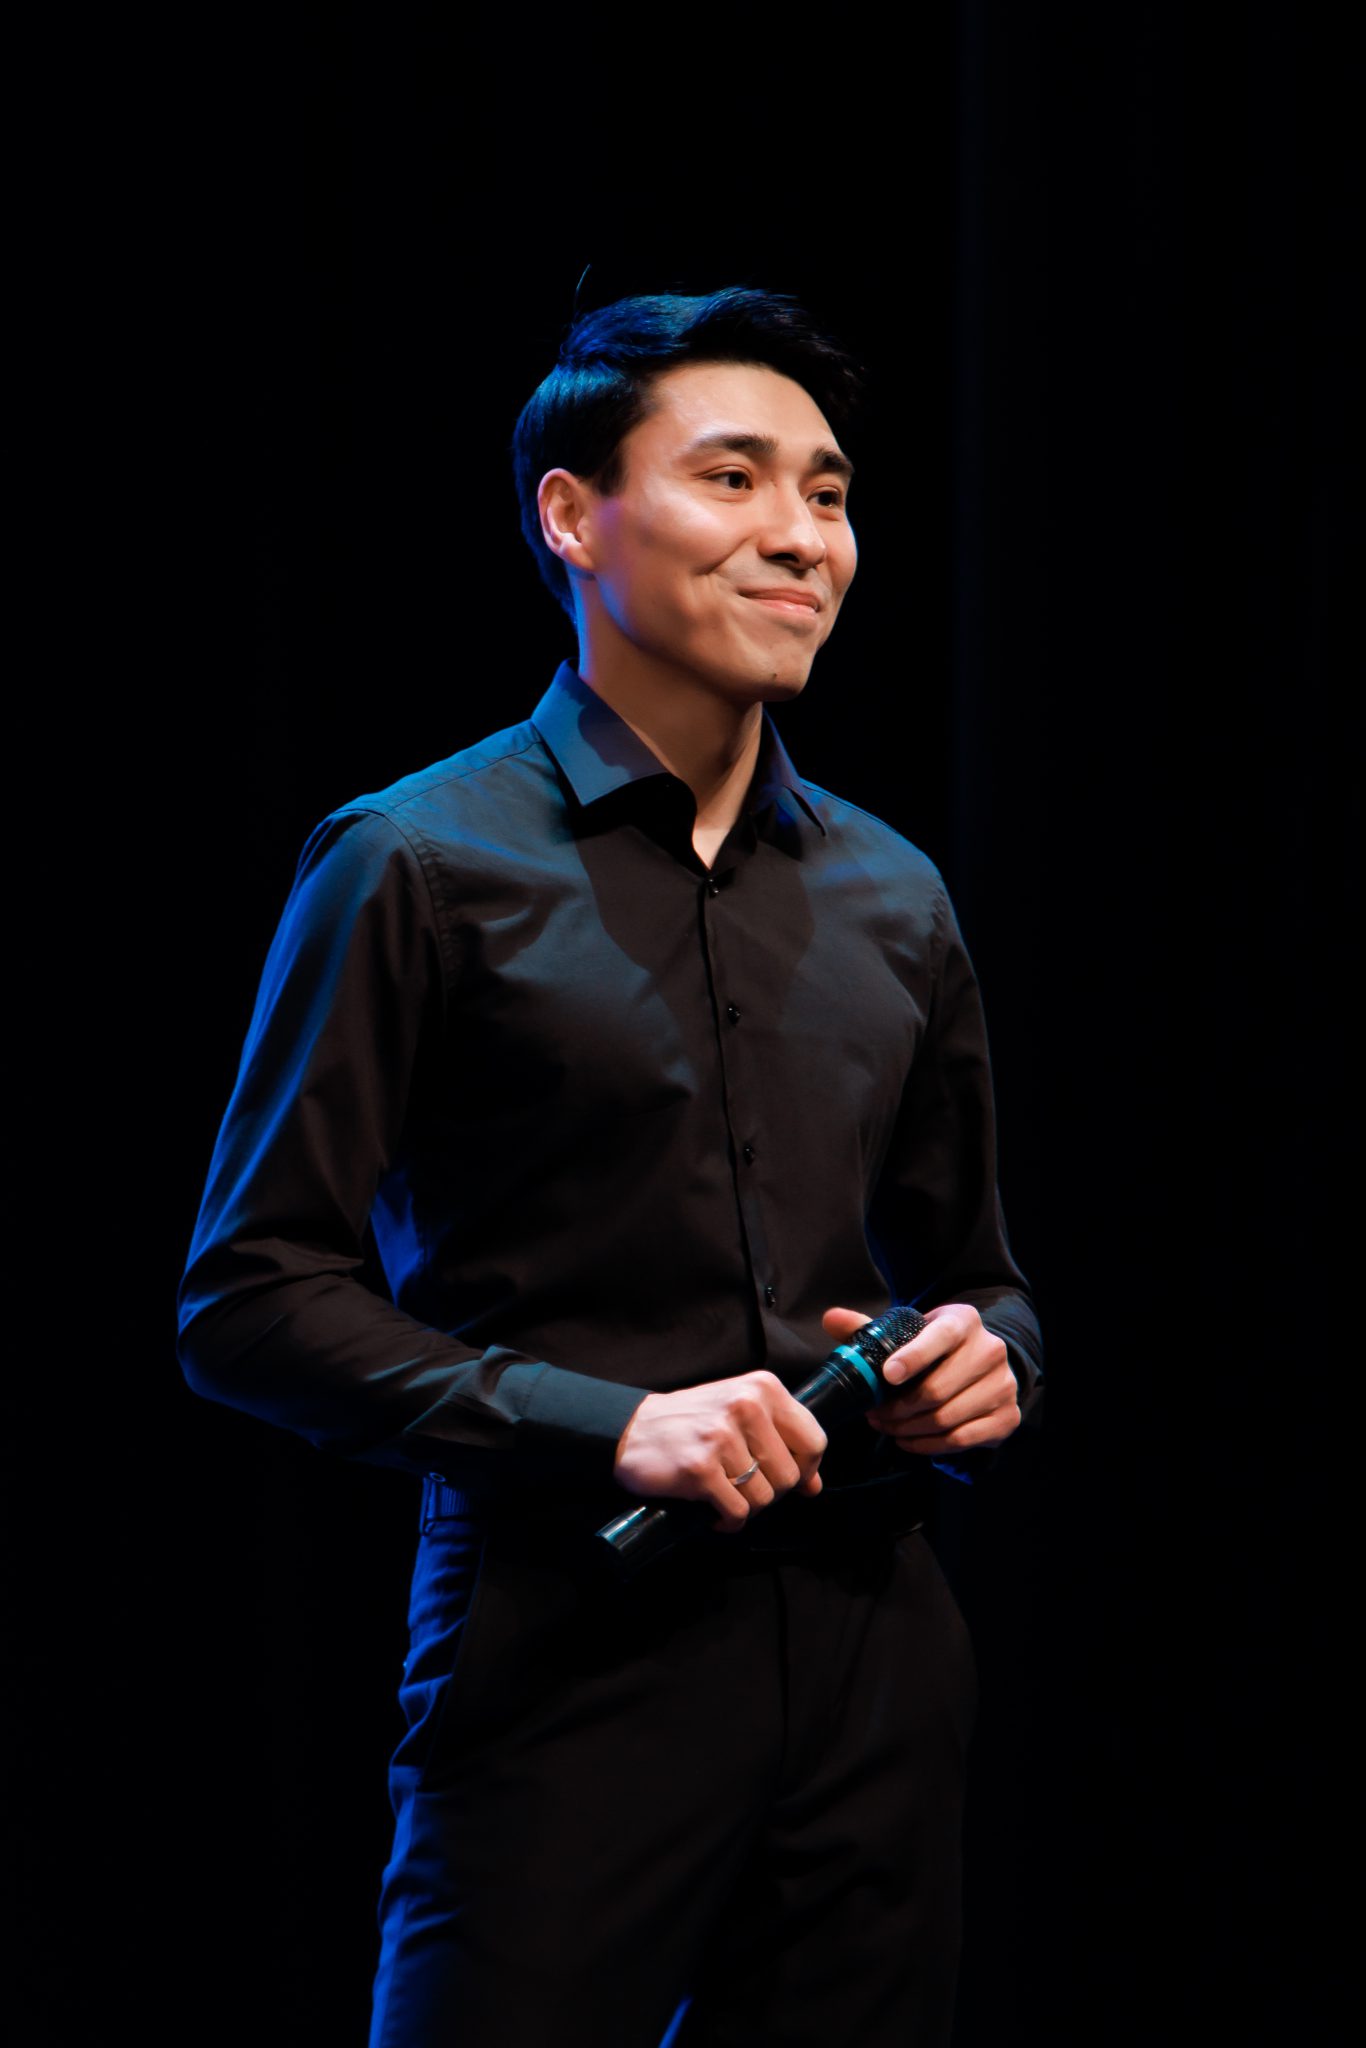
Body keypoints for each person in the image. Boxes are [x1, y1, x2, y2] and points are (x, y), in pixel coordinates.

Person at [179, 286, 1042, 2047]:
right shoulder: (416, 861)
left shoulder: (894, 892)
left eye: (826, 493)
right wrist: (610, 1424)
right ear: (572, 517)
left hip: (873, 1656)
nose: (799, 535)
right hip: (566, 1636)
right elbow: (249, 1299)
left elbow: (979, 1275)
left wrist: (991, 1361)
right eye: (733, 478)